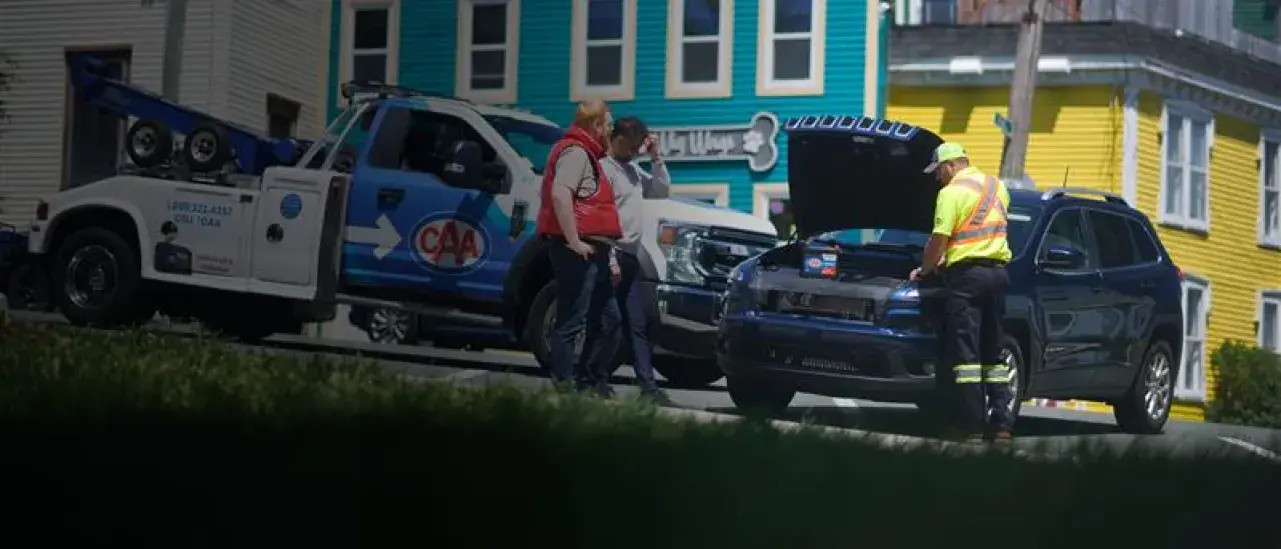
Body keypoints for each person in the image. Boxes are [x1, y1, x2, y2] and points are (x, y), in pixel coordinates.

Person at [909, 142, 1014, 443]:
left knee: (966, 355)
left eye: (938, 171)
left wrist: (926, 269)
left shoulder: (950, 193)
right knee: (994, 354)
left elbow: (939, 239)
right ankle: (1002, 426)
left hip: (967, 278)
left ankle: (971, 425)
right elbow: (983, 229)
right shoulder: (998, 186)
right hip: (998, 275)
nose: (937, 177)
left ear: (951, 165)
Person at [535, 100, 624, 396]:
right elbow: (561, 195)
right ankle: (563, 387)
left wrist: (608, 258)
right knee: (571, 319)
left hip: (595, 252)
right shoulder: (575, 153)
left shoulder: (589, 155)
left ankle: (589, 379)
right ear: (596, 125)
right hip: (577, 250)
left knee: (610, 320)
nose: (611, 129)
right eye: (608, 124)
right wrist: (573, 241)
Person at [594, 116, 673, 405]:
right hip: (609, 255)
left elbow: (661, 190)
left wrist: (656, 158)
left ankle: (648, 387)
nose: (637, 150)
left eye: (641, 146)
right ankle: (594, 378)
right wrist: (610, 253)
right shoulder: (605, 170)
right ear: (618, 139)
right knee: (608, 321)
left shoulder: (634, 171)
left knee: (639, 321)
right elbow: (603, 216)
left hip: (632, 257)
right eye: (634, 145)